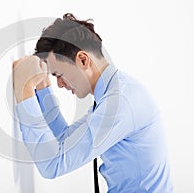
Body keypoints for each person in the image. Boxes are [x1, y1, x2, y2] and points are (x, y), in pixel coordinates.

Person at [12, 13, 173, 192]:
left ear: (82, 59)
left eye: (59, 74)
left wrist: (24, 90)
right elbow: (65, 140)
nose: (59, 84)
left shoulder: (120, 104)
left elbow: (53, 164)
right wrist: (42, 86)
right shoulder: (113, 95)